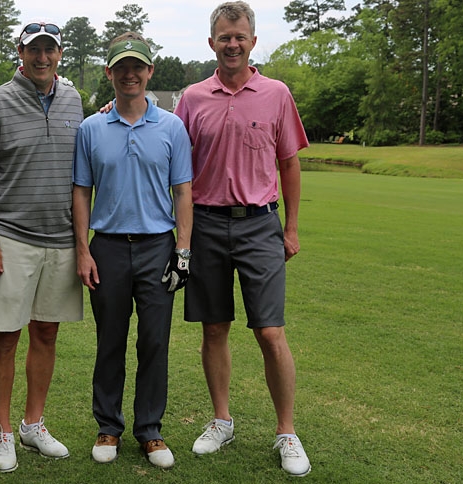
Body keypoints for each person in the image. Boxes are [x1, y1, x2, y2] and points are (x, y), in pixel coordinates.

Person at [173, 1, 311, 477]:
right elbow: (173, 158)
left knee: (270, 332)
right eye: (224, 37)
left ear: (253, 41)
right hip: (207, 224)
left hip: (259, 223)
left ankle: (286, 431)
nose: (232, 43)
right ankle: (221, 419)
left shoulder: (276, 93)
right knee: (214, 328)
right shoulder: (191, 98)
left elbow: (289, 163)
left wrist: (290, 227)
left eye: (240, 36)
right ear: (212, 43)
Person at [0, 20, 85, 473]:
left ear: (59, 54)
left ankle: (33, 424)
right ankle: (3, 431)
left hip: (61, 239)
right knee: (5, 337)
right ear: (20, 51)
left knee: (47, 333)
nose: (42, 58)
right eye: (34, 50)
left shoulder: (74, 99)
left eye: (49, 50)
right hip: (11, 239)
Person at [73, 32, 193, 470]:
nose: (130, 74)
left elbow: (183, 191)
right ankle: (108, 426)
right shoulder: (91, 127)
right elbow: (81, 193)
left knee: (155, 340)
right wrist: (82, 251)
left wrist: (183, 250)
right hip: (106, 246)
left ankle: (150, 431)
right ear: (109, 73)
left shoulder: (171, 127)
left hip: (157, 247)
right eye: (121, 67)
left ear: (149, 72)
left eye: (137, 67)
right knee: (110, 341)